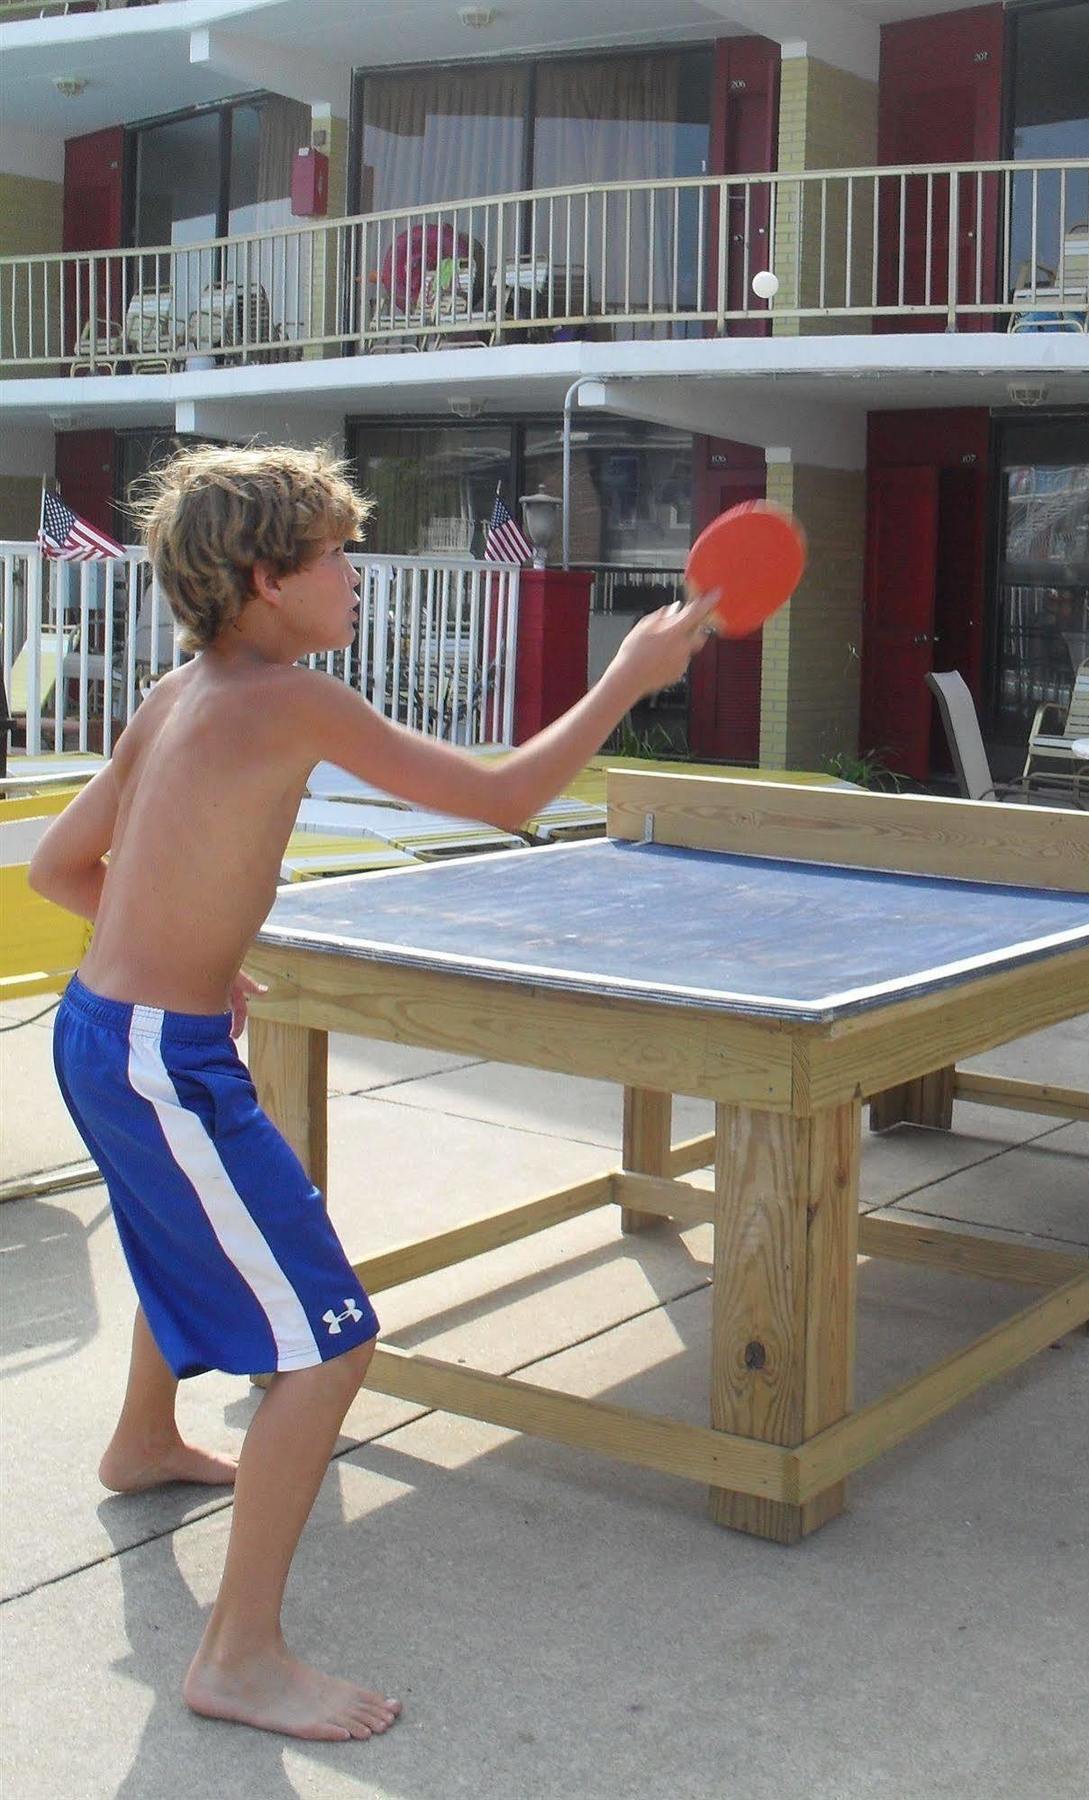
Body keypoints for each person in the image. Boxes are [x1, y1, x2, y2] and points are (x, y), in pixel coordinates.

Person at [28, 444, 718, 1742]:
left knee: (195, 1237)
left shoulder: (177, 694)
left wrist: (184, 962)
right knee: (330, 1344)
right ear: (261, 577)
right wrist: (633, 670)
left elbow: (65, 870)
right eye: (336, 553)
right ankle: (239, 1655)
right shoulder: (290, 702)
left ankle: (141, 1439)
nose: (356, 573)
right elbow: (512, 796)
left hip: (104, 1034)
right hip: (153, 1058)